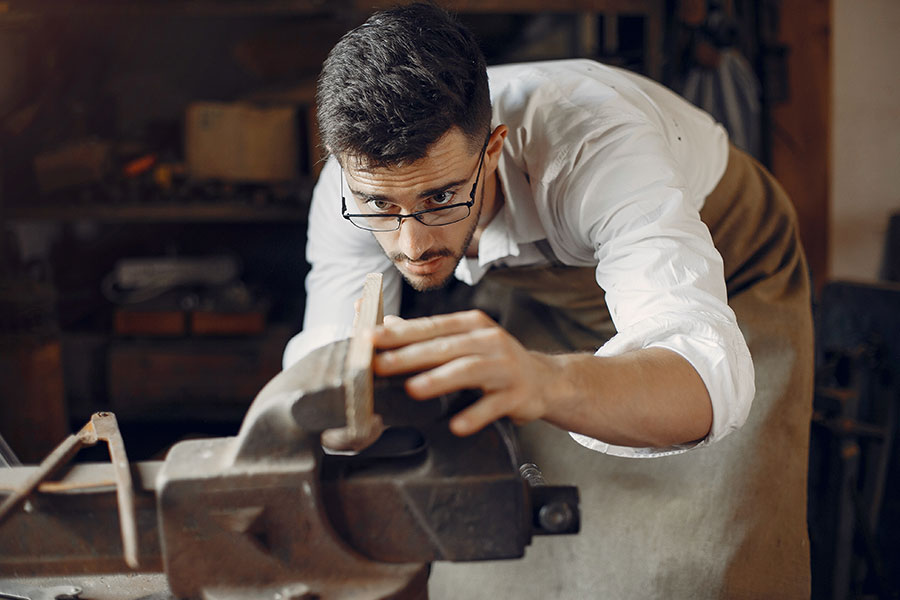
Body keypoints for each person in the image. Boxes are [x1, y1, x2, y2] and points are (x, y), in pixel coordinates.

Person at [284, 3, 813, 598]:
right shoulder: (353, 181)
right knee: (493, 559)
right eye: (381, 206)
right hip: (548, 291)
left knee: (697, 570)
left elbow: (706, 377)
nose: (411, 245)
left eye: (441, 197)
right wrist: (338, 421)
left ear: (493, 152)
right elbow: (328, 362)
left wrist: (544, 383)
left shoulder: (599, 148)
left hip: (725, 279)